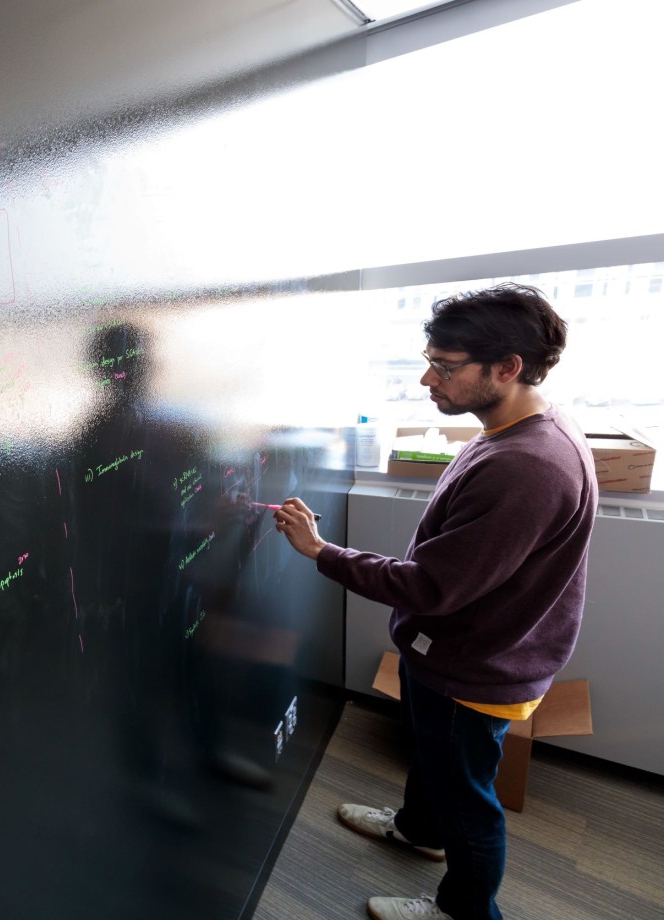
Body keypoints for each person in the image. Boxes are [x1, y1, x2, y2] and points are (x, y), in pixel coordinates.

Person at [273, 283, 596, 920]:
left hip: (476, 666)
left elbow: (431, 587)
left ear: (507, 368)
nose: (428, 379)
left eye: (445, 367)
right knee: (437, 759)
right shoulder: (516, 429)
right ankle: (418, 831)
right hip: (472, 650)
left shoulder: (526, 465)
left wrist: (321, 552)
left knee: (468, 800)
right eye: (429, 360)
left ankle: (465, 911)